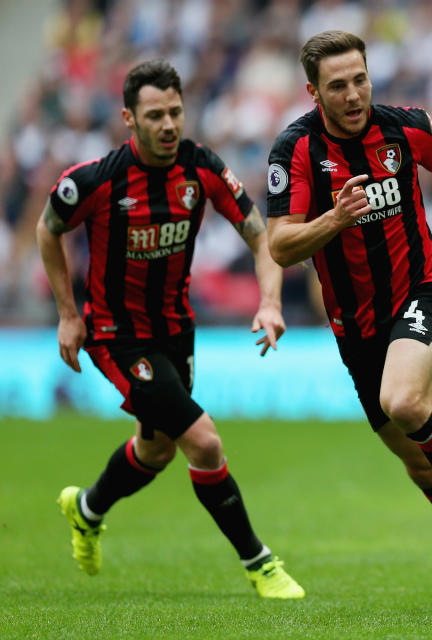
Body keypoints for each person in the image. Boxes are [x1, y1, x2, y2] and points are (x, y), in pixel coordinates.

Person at [265, 30, 432, 610]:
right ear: (314, 91)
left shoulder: (406, 126)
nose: (354, 93)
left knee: (406, 403)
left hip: (423, 289)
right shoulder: (296, 152)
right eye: (338, 85)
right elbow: (282, 247)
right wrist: (333, 220)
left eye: (360, 78)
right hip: (355, 325)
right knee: (418, 463)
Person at [36, 60, 304, 599]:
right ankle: (260, 563)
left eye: (175, 112)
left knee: (156, 451)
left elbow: (261, 237)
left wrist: (270, 302)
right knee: (203, 442)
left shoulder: (202, 168)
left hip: (176, 329)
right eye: (154, 114)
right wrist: (69, 314)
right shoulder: (96, 180)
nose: (168, 124)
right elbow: (49, 230)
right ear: (129, 120)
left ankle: (86, 510)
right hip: (117, 335)